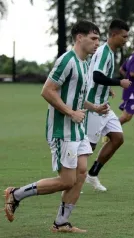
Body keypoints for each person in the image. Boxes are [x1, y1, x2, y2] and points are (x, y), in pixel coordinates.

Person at [4, 21, 107, 233]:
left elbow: (77, 97)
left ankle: (61, 222)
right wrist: (70, 113)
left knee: (80, 174)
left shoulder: (86, 63)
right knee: (67, 180)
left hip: (77, 128)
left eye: (99, 39)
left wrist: (94, 107)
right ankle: (16, 194)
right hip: (63, 129)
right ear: (79, 37)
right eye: (94, 38)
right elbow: (47, 90)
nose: (97, 43)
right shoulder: (67, 60)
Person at [85, 19, 131, 192]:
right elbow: (97, 76)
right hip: (94, 106)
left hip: (103, 104)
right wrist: (119, 82)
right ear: (113, 34)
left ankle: (92, 174)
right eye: (124, 36)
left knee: (118, 138)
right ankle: (71, 179)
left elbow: (95, 74)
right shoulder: (105, 52)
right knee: (88, 147)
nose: (126, 40)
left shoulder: (109, 52)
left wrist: (108, 88)